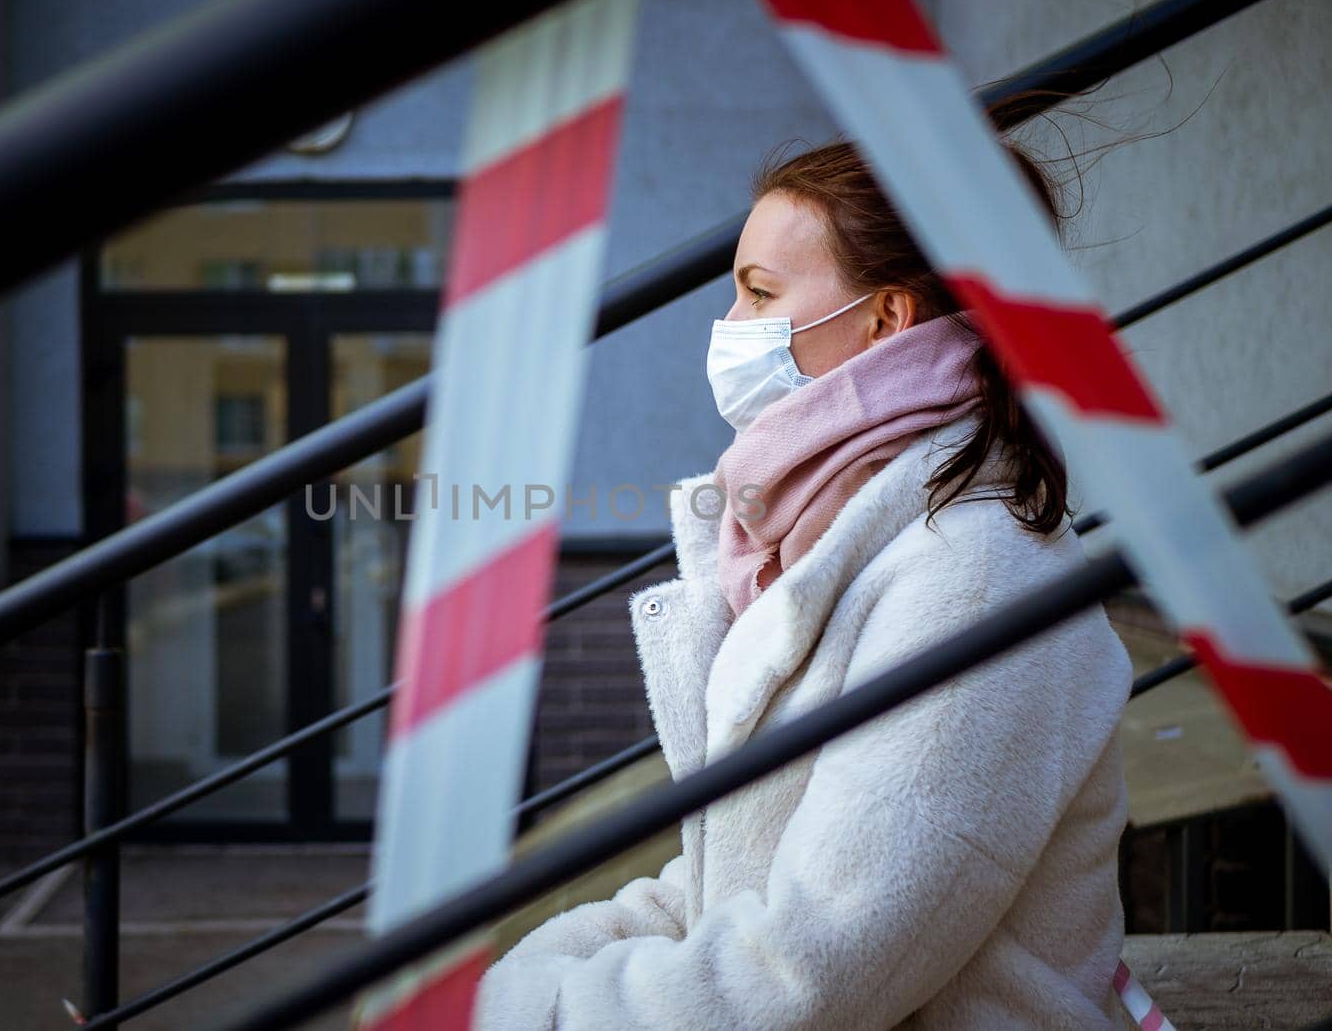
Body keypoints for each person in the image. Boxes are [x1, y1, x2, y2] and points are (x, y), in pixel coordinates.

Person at [472, 131, 1134, 1029]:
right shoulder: (828, 541)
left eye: (759, 294)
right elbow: (734, 874)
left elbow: (807, 975)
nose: (730, 328)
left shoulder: (974, 581)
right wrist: (533, 973)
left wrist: (537, 1010)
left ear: (888, 319)